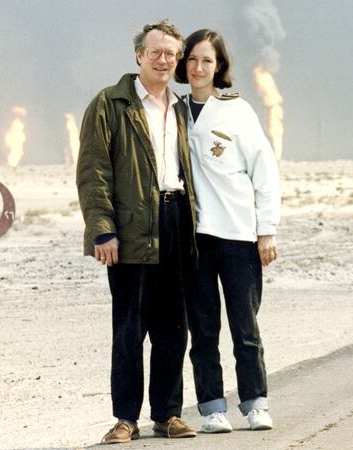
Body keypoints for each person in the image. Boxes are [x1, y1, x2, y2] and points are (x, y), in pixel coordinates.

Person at [76, 20, 198, 444]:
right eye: (155, 52)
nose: (163, 60)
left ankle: (168, 416)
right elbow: (93, 172)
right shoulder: (110, 104)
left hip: (178, 223)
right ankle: (125, 419)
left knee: (173, 328)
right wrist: (102, 231)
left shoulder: (182, 108)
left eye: (171, 54)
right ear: (139, 56)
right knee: (129, 329)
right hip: (130, 230)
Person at [174, 29, 281, 433]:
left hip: (238, 234)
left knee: (244, 326)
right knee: (202, 329)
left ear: (219, 66)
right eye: (192, 60)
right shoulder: (175, 109)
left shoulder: (237, 111)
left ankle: (255, 403)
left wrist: (266, 230)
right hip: (194, 239)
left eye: (207, 60)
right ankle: (213, 407)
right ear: (184, 65)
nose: (198, 68)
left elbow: (264, 170)